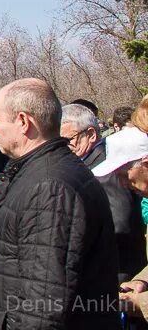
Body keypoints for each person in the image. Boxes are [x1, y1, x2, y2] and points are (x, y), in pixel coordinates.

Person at [0, 79, 119, 329]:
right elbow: (31, 267)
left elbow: (43, 307)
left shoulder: (51, 188)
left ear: (23, 122)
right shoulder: (34, 173)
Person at [61, 102, 146, 284]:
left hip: (120, 274)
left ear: (91, 134)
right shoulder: (90, 164)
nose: (64, 147)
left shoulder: (106, 170)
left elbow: (120, 225)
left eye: (68, 140)